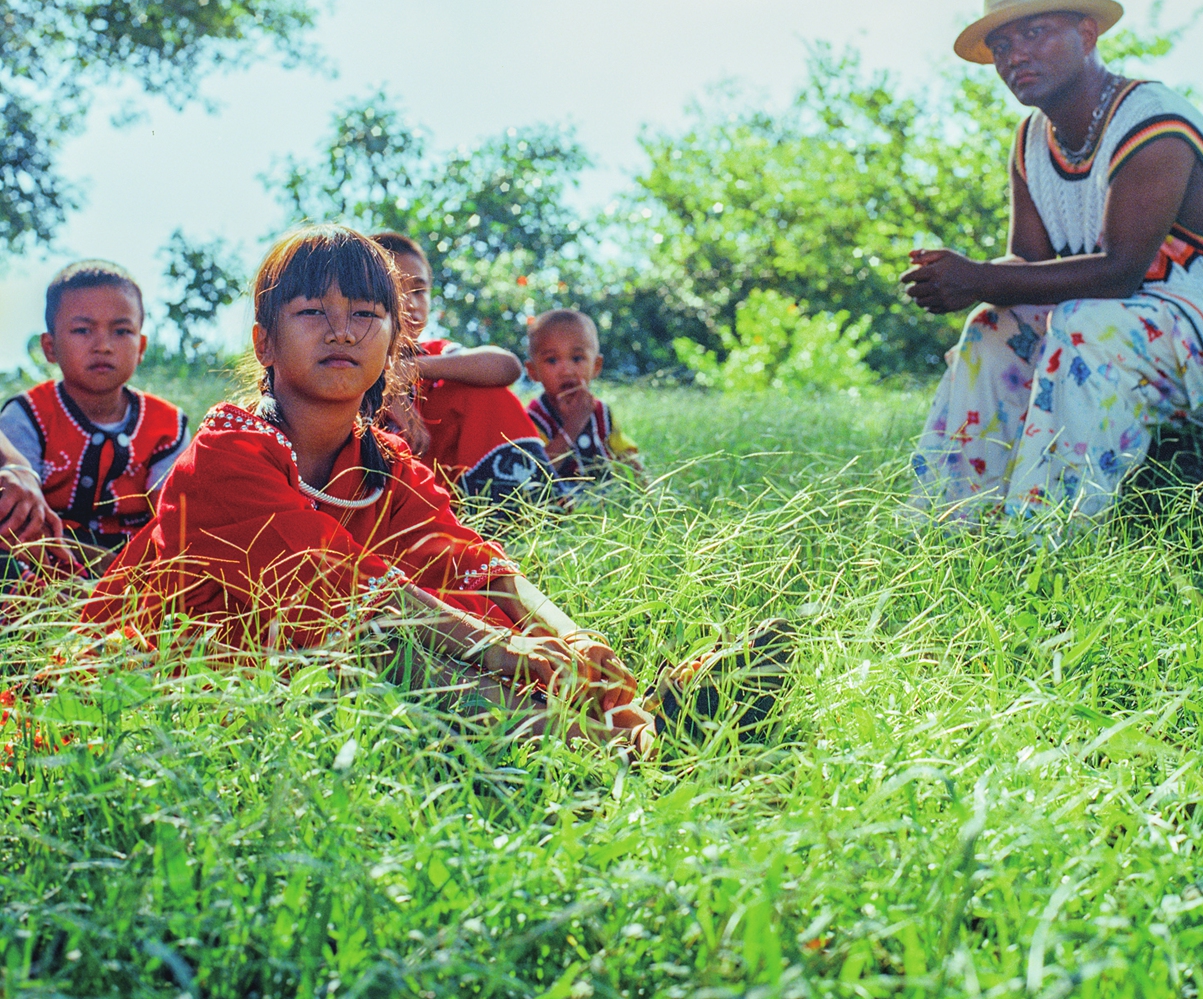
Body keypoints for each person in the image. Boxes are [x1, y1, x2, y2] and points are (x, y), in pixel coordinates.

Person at [82, 227, 788, 751]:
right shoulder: (227, 449)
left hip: (323, 649)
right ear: (266, 343)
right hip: (169, 678)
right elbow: (338, 586)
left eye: (366, 313)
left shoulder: (382, 462)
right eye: (313, 312)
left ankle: (640, 723)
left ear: (396, 346)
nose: (341, 331)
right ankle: (614, 748)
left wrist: (571, 637)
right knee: (381, 642)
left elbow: (468, 556)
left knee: (470, 607)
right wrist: (503, 651)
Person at [902, 0, 1203, 534]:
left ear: (1087, 34)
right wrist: (959, 278)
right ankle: (950, 525)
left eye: (1036, 33)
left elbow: (1120, 272)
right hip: (1147, 336)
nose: (1015, 56)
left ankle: (1045, 539)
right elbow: (1029, 267)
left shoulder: (1153, 122)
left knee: (1083, 324)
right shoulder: (1032, 142)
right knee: (993, 323)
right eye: (1002, 45)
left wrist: (980, 277)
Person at [0, 261, 190, 580]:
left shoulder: (167, 426)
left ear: (141, 347)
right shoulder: (27, 414)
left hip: (137, 565)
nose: (103, 346)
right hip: (45, 554)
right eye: (82, 330)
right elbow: (19, 508)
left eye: (121, 331)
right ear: (50, 347)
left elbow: (172, 521)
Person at [369, 233, 555, 507]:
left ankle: (517, 507)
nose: (410, 304)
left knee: (482, 391)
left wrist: (410, 369)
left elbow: (507, 367)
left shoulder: (433, 354)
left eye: (419, 291)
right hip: (376, 497)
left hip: (447, 487)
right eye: (395, 291)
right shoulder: (346, 358)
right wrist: (385, 385)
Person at [524, 309, 644, 491]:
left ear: (596, 366)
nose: (567, 371)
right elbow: (538, 473)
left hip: (605, 495)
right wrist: (574, 425)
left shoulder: (601, 412)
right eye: (552, 360)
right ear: (533, 371)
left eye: (577, 358)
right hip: (560, 499)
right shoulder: (534, 418)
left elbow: (625, 456)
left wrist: (646, 491)